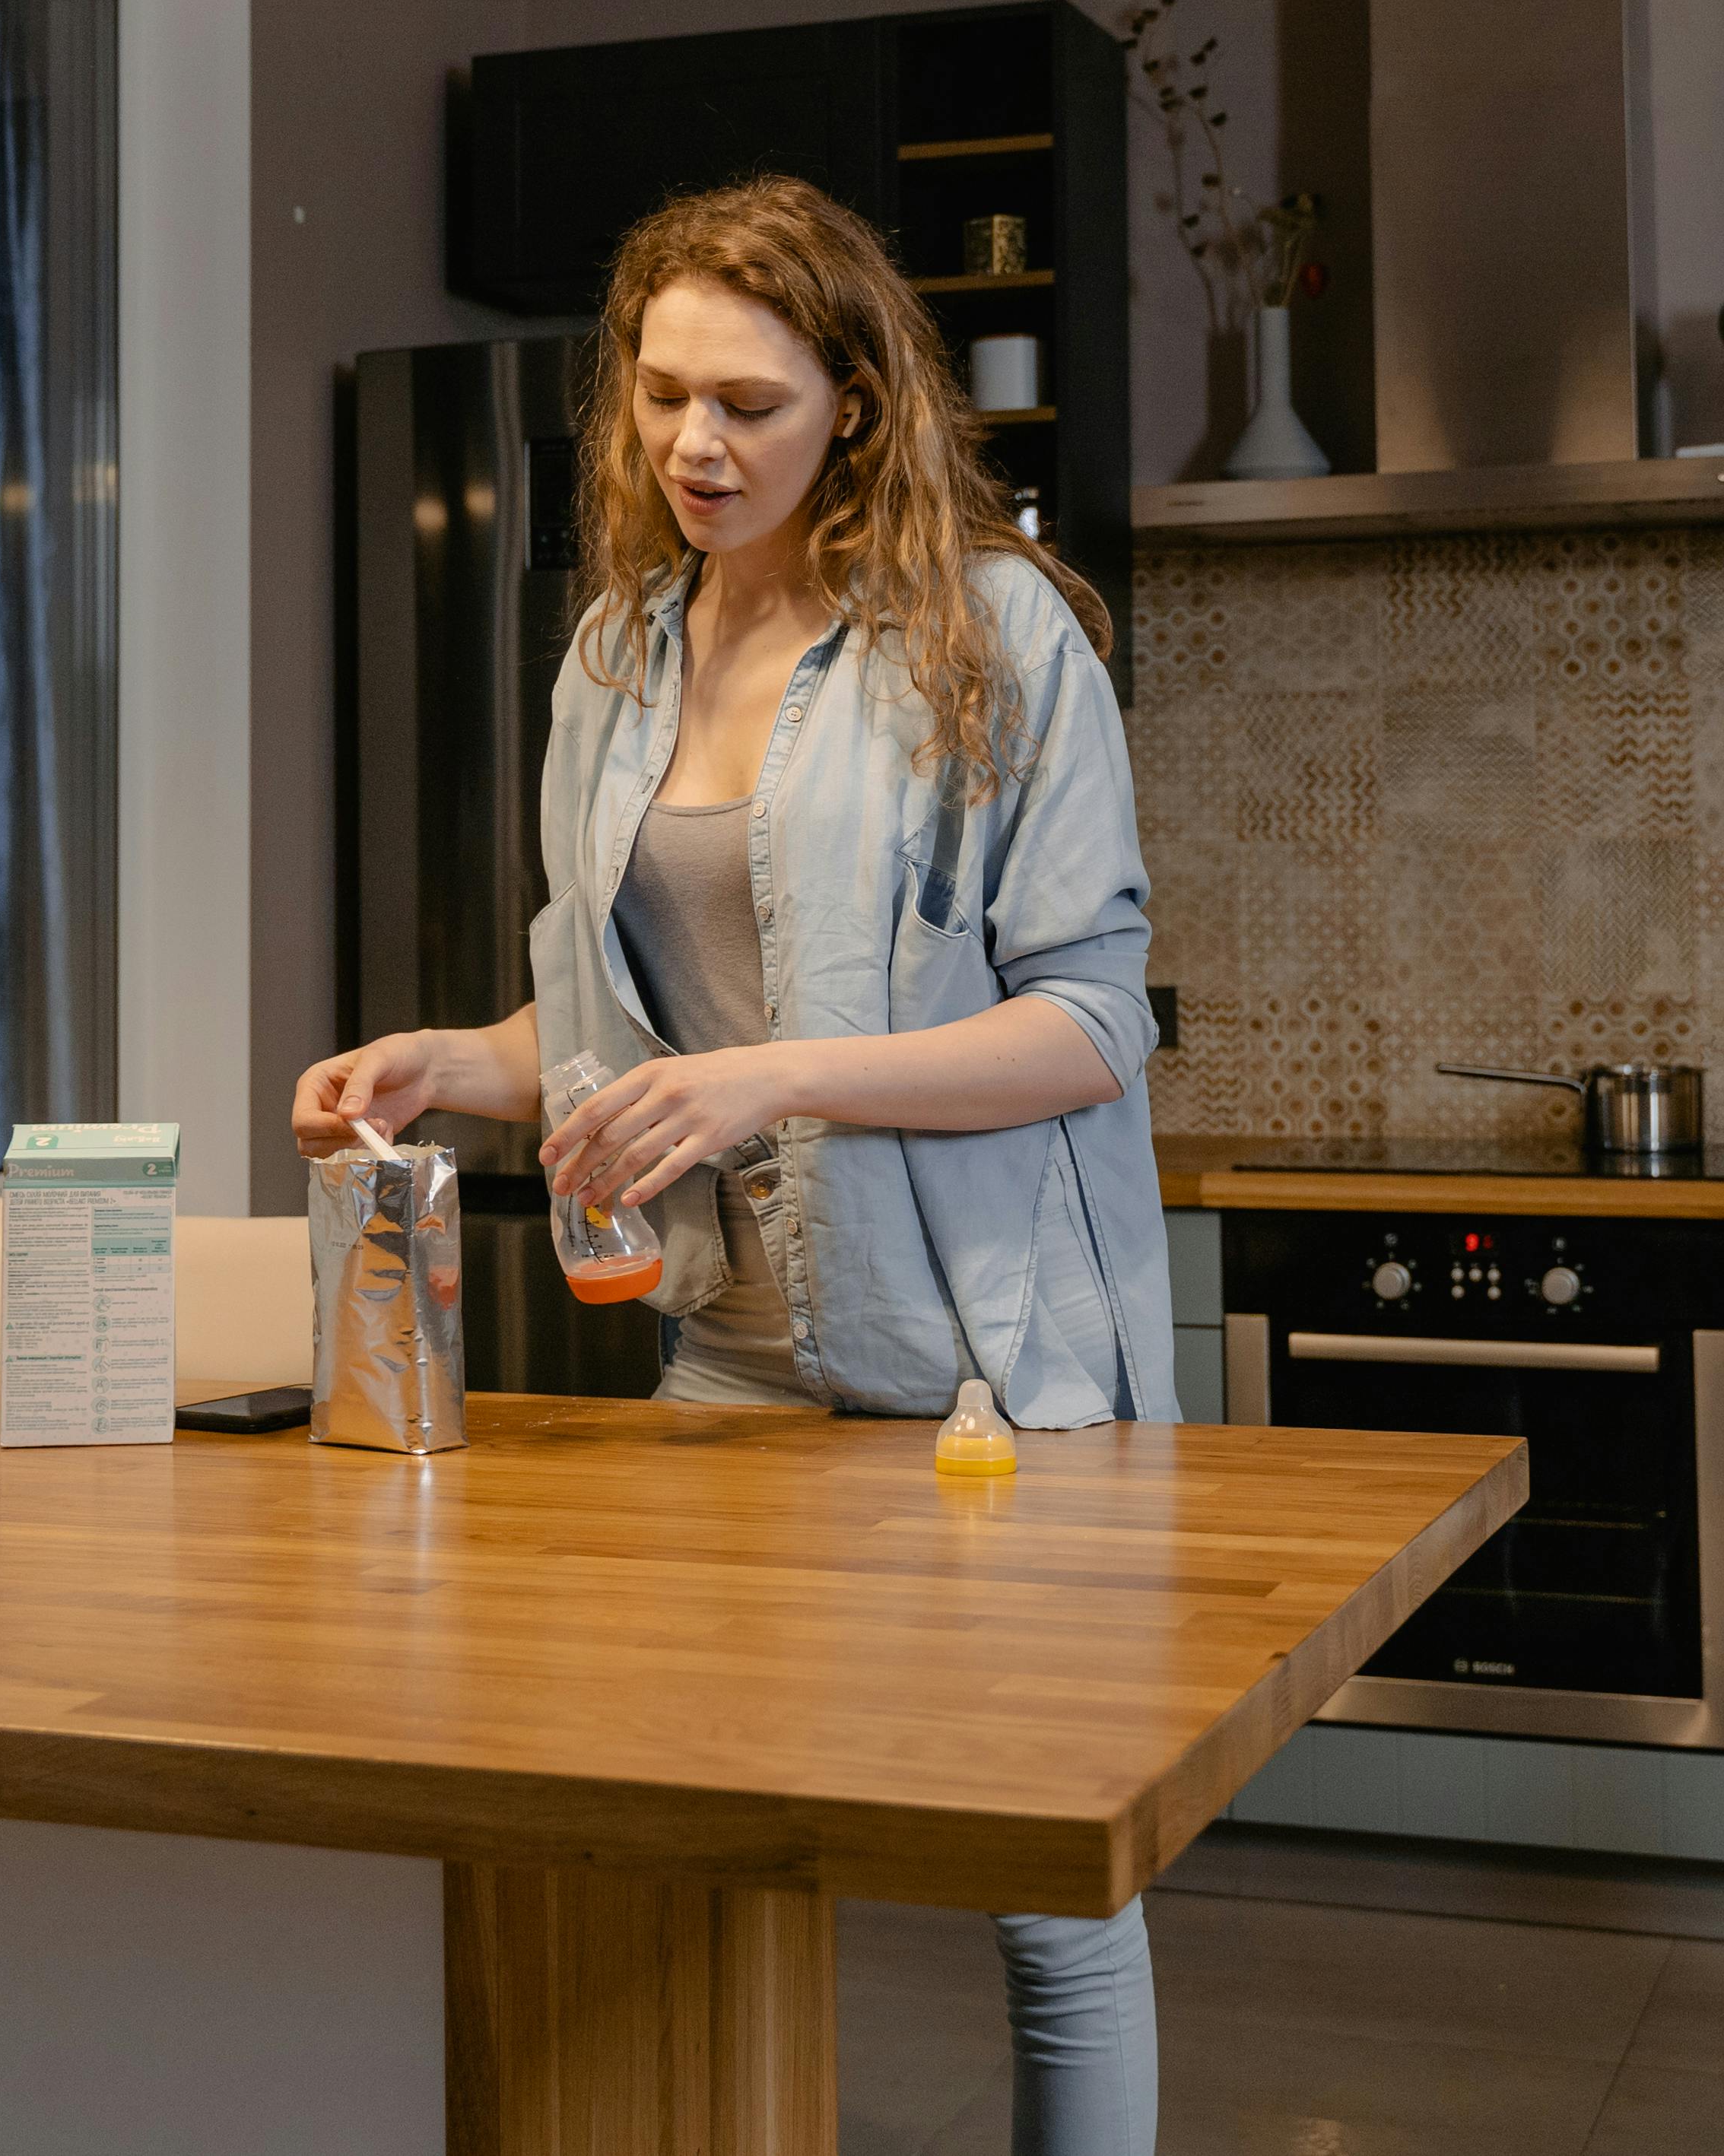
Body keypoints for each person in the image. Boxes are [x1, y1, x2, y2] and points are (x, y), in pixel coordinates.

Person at [292, 174, 1173, 2154]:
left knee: (1052, 1896)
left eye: (752, 404)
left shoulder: (996, 635)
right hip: (726, 1364)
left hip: (982, 1379)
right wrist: (450, 1061)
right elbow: (610, 1034)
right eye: (664, 395)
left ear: (855, 400)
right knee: (695, 1862)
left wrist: (772, 1081)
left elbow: (1093, 1027)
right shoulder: (613, 658)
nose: (698, 444)